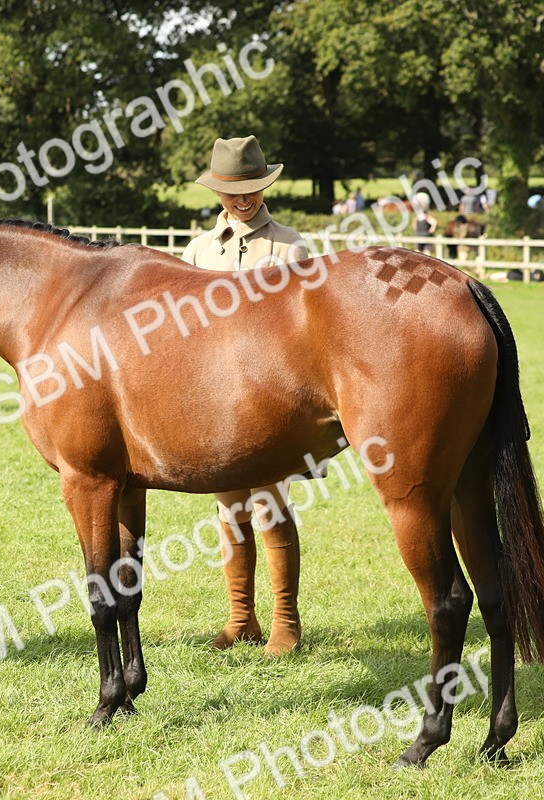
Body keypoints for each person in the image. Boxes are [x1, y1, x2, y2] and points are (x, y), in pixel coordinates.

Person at [181, 136, 308, 656]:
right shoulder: (198, 251)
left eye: (253, 189)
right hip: (215, 401)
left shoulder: (290, 246)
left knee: (270, 504)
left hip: (271, 398)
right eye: (235, 191)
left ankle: (286, 619)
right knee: (228, 507)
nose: (244, 199)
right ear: (219, 192)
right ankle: (240, 619)